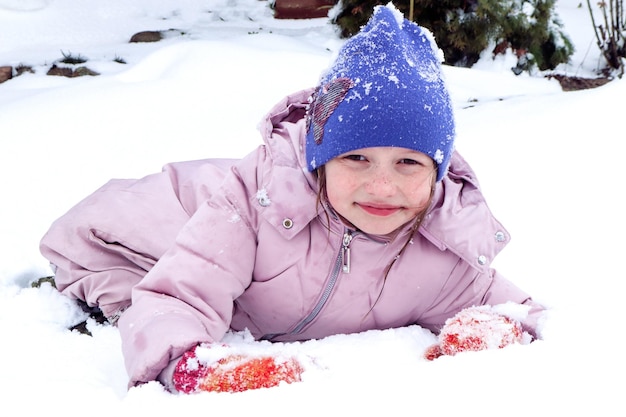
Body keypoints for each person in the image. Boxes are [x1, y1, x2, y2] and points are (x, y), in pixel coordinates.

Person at [39, 4, 545, 393]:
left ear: (438, 173)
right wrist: (190, 364)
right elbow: (177, 294)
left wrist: (494, 329)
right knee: (129, 287)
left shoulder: (442, 243)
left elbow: (521, 311)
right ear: (319, 160)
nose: (382, 186)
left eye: (408, 163)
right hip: (125, 232)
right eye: (356, 159)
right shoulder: (254, 203)